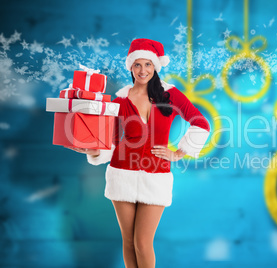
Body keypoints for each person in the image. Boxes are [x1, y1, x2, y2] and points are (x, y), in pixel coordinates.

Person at [66, 38, 210, 268]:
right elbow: (110, 141)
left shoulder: (170, 95)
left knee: (143, 243)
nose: (143, 70)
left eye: (148, 65)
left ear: (155, 67)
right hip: (121, 172)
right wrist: (91, 149)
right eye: (137, 65)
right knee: (129, 242)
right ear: (131, 67)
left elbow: (201, 123)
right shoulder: (120, 100)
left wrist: (178, 152)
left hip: (157, 176)